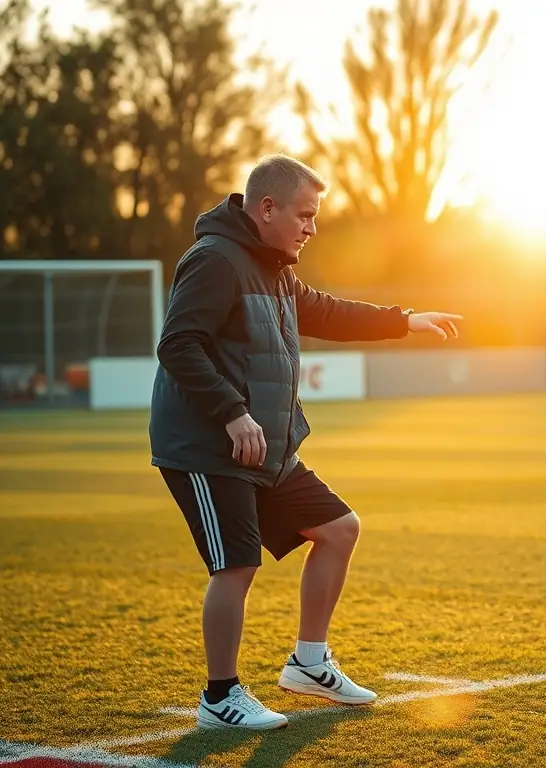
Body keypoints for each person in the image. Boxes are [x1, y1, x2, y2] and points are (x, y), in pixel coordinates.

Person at [149, 153, 462, 730]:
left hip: (264, 446)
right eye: (305, 215)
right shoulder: (215, 260)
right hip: (208, 445)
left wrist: (404, 319)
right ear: (266, 208)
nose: (312, 228)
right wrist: (233, 414)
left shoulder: (274, 266)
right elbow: (178, 344)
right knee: (236, 566)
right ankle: (221, 697)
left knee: (339, 528)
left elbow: (323, 310)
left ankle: (308, 663)